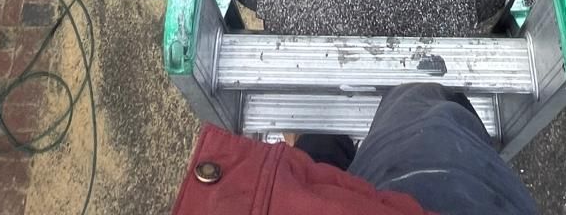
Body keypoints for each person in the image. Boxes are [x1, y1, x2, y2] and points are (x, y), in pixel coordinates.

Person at [172, 83, 537, 215]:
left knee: (312, 158)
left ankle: (313, 143)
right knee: (419, 100)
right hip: (441, 198)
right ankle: (315, 144)